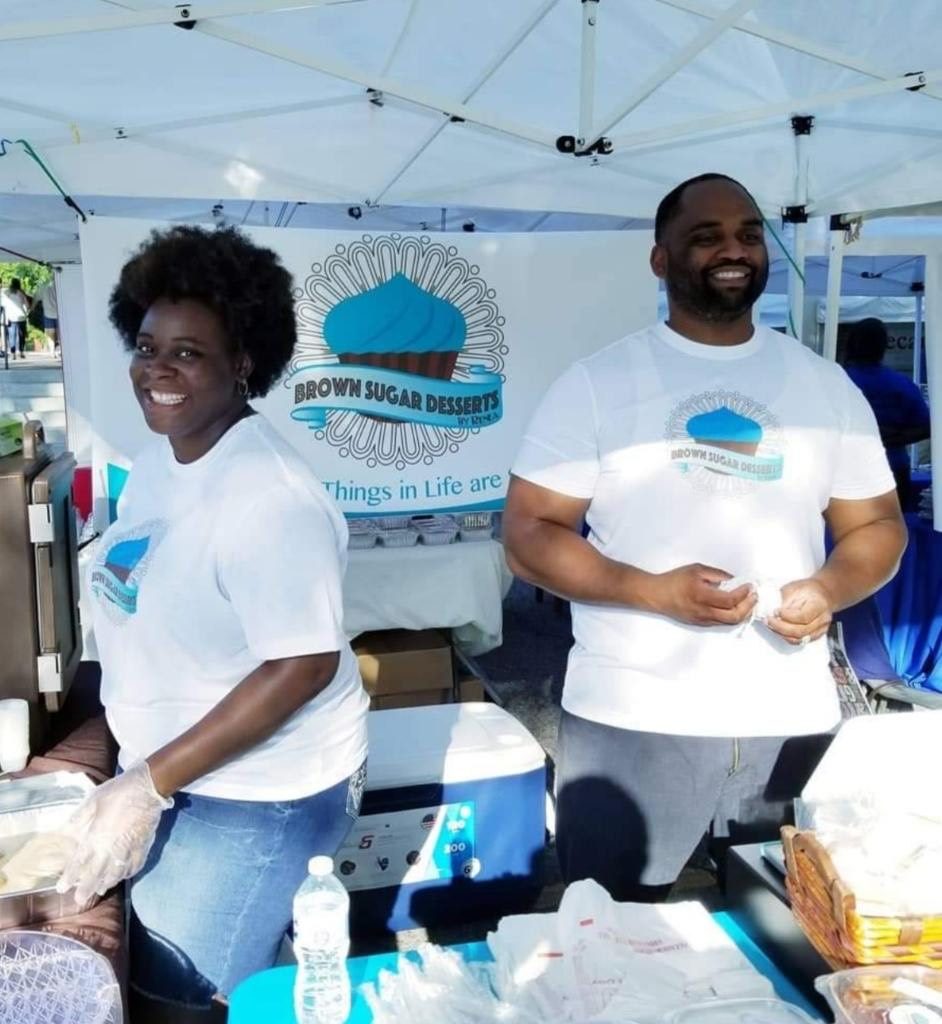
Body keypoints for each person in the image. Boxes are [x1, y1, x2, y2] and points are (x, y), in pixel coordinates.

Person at [504, 173, 907, 902]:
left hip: (788, 715)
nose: (734, 250)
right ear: (660, 260)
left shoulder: (823, 386)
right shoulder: (597, 383)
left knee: (788, 935)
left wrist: (828, 588)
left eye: (749, 235)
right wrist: (649, 591)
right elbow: (530, 532)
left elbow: (878, 526)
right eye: (707, 236)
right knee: (611, 932)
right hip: (632, 717)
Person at [56, 226, 369, 1019]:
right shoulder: (162, 459)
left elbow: (303, 665)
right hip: (176, 773)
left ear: (243, 364)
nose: (157, 370)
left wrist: (147, 784)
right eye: (147, 347)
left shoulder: (268, 496)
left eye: (189, 353)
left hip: (256, 797)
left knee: (180, 998)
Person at [843, 317, 930, 511]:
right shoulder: (900, 383)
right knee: (894, 525)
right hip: (892, 466)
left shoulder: (837, 380)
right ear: (883, 346)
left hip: (847, 468)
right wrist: (894, 438)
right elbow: (927, 427)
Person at [0, 278, 31, 359]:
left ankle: (13, 353)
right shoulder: (21, 292)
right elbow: (27, 306)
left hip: (10, 317)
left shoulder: (6, 293)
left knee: (11, 336)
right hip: (21, 317)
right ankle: (21, 352)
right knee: (22, 335)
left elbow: (2, 304)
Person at [37, 277, 60, 357]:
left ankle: (52, 352)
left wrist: (31, 308)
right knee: (60, 333)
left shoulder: (43, 287)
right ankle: (60, 350)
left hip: (48, 314)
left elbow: (36, 298)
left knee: (50, 334)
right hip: (59, 313)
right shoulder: (59, 285)